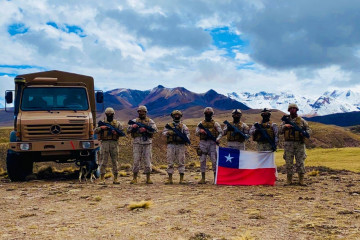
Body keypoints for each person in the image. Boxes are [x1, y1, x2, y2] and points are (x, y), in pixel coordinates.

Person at [280, 103, 311, 186]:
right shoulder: (284, 121)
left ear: (297, 110)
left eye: (294, 108)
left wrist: (304, 133)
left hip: (299, 144)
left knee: (300, 162)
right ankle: (289, 180)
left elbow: (308, 130)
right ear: (289, 110)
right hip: (288, 144)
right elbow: (279, 131)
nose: (293, 110)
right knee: (289, 162)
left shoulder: (302, 121)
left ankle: (301, 180)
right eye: (291, 108)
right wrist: (285, 126)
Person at [127, 105, 158, 184]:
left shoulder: (150, 121)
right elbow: (128, 130)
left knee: (147, 161)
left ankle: (148, 178)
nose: (141, 113)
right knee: (136, 161)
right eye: (140, 111)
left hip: (147, 143)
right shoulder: (134, 121)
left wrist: (146, 130)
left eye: (143, 111)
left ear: (145, 112)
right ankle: (134, 178)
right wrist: (133, 127)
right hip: (137, 143)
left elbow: (155, 130)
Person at [94, 107, 123, 184]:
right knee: (103, 161)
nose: (109, 115)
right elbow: (95, 131)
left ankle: (116, 178)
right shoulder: (102, 123)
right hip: (105, 143)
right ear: (106, 114)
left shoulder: (117, 123)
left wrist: (116, 133)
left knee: (115, 161)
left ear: (113, 114)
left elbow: (121, 132)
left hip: (114, 143)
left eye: (111, 114)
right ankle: (102, 178)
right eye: (108, 114)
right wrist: (101, 128)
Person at [195, 107, 223, 184]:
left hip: (212, 143)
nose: (208, 115)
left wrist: (217, 139)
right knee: (202, 160)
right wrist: (200, 131)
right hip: (203, 142)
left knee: (214, 161)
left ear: (212, 114)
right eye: (206, 113)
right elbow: (196, 133)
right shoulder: (200, 124)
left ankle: (215, 178)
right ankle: (203, 178)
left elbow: (221, 132)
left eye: (209, 113)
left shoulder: (215, 124)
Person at [162, 110, 190, 184]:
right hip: (171, 145)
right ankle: (170, 179)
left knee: (181, 161)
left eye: (178, 115)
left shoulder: (183, 126)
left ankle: (181, 179)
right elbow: (164, 133)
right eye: (175, 115)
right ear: (173, 116)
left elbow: (187, 134)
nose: (177, 116)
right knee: (170, 161)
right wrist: (169, 132)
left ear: (180, 116)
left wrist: (186, 139)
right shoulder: (169, 125)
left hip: (180, 145)